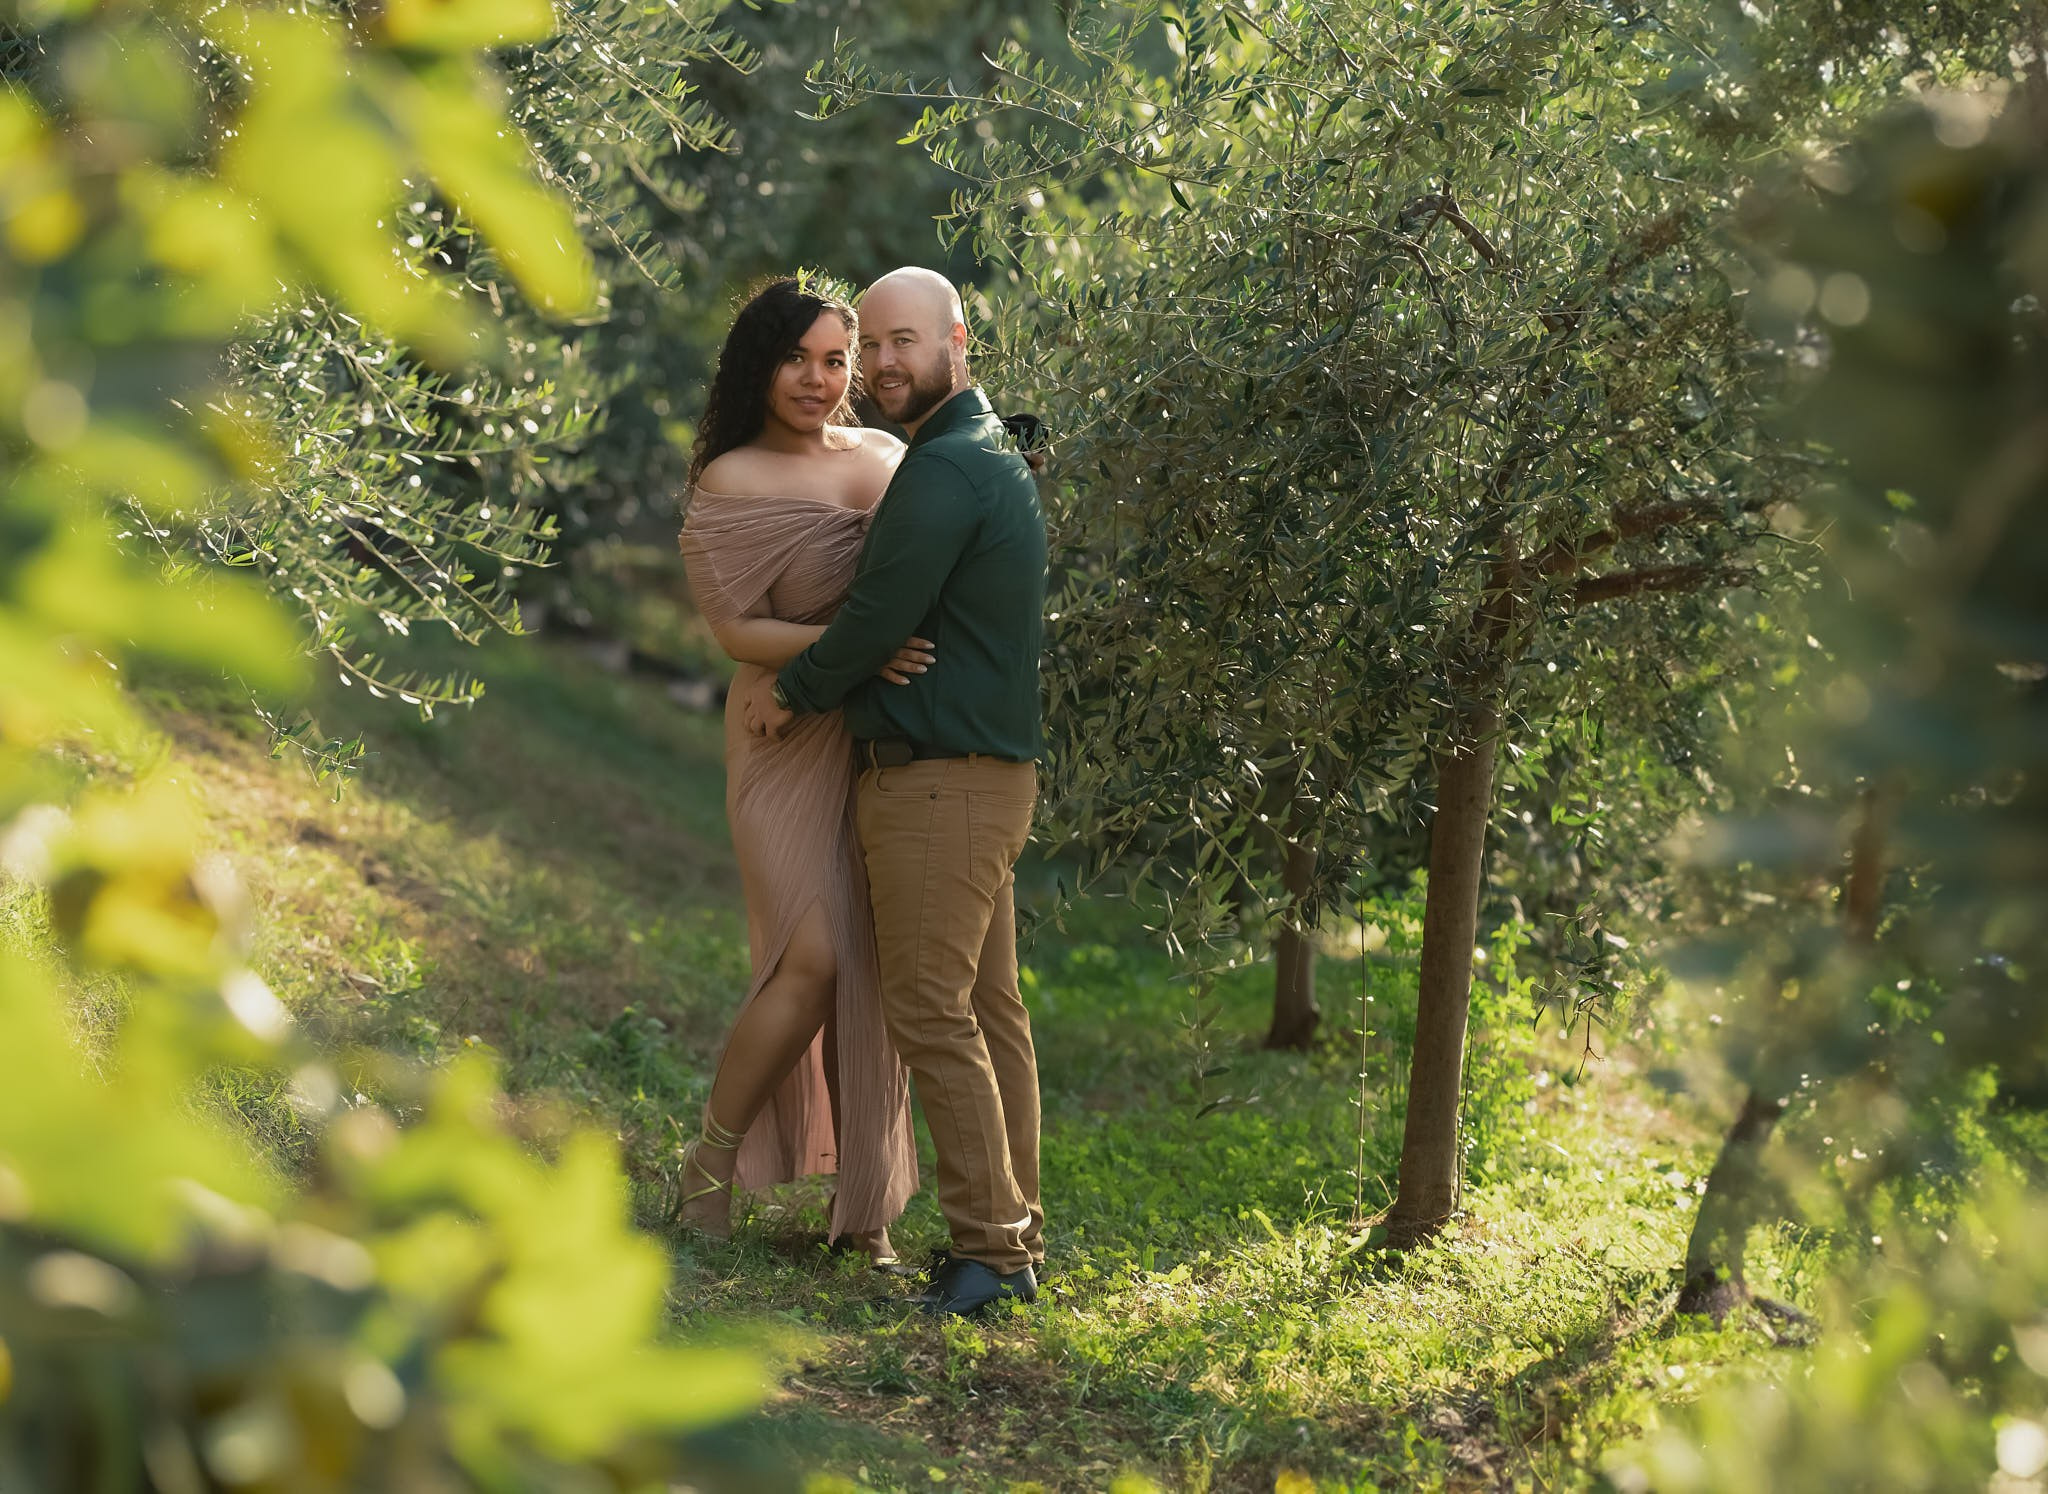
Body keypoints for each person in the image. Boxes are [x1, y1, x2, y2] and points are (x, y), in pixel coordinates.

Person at [744, 267, 1049, 1316]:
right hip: (985, 782)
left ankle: (990, 1256)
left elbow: (877, 615)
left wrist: (794, 691)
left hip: (936, 788)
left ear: (956, 341)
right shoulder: (984, 452)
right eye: (868, 345)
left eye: (901, 342)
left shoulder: (942, 470)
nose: (879, 365)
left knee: (930, 1009)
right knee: (988, 1011)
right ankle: (1013, 1231)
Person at [674, 275, 934, 1266]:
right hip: (783, 739)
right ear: (758, 362)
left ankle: (864, 1212)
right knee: (810, 959)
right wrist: (854, 649)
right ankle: (708, 1171)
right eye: (797, 358)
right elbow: (735, 629)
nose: (819, 380)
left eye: (837, 359)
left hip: (881, 742)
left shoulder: (884, 455)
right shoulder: (731, 479)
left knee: (875, 968)